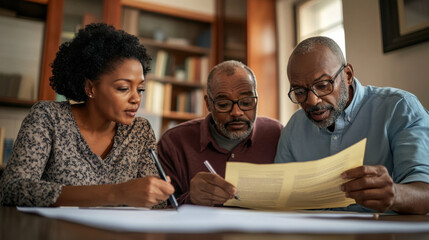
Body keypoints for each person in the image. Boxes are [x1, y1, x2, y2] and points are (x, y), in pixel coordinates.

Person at [0, 23, 174, 207]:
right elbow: (13, 188)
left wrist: (160, 195)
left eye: (140, 89)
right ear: (90, 87)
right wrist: (117, 192)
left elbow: (157, 205)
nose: (136, 99)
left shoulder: (139, 130)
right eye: (123, 88)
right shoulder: (48, 118)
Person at [275, 36, 429, 214]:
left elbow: (425, 192)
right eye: (300, 92)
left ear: (347, 75)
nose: (312, 101)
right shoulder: (294, 128)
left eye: (323, 85)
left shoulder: (399, 108)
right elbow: (281, 198)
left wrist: (395, 194)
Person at [157, 60, 283, 206]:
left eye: (247, 102)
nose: (236, 112)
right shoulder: (174, 142)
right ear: (208, 104)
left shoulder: (276, 134)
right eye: (223, 105)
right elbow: (156, 209)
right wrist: (191, 199)